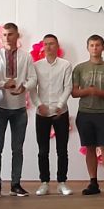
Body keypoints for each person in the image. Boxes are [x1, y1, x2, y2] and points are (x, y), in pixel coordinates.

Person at [0, 22, 37, 198]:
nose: (7, 38)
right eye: (4, 34)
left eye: (10, 34)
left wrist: (24, 87)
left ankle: (15, 184)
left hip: (19, 108)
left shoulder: (26, 56)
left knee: (17, 148)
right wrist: (4, 84)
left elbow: (33, 78)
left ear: (17, 36)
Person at [72, 34, 104, 195]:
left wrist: (97, 92)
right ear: (87, 48)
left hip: (103, 113)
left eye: (97, 45)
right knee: (90, 147)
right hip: (85, 113)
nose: (94, 48)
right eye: (91, 45)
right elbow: (74, 92)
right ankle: (93, 182)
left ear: (103, 48)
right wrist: (88, 91)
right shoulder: (80, 68)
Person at [34, 34, 73, 195]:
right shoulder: (36, 66)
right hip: (42, 112)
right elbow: (32, 88)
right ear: (43, 47)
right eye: (46, 44)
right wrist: (39, 105)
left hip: (60, 112)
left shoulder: (65, 65)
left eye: (52, 44)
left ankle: (62, 182)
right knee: (43, 150)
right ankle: (44, 182)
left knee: (62, 150)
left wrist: (59, 105)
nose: (48, 47)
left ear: (57, 46)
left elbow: (68, 87)